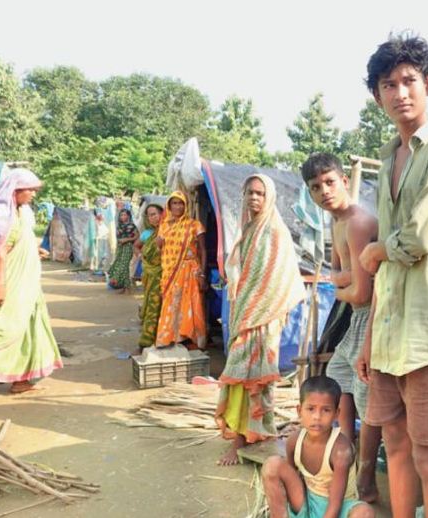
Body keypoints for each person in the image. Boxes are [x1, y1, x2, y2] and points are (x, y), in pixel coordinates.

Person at [356, 34, 428, 518]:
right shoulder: (389, 158)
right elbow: (387, 274)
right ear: (377, 96)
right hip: (388, 336)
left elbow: (420, 236)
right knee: (396, 447)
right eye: (389, 84)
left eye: (409, 80)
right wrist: (368, 338)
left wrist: (375, 250)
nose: (400, 92)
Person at [301, 153, 382, 503]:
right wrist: (343, 281)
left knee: (369, 399)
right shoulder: (336, 223)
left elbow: (360, 292)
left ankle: (365, 470)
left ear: (344, 181)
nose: (324, 191)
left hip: (374, 315)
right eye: (316, 187)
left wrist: (341, 284)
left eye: (330, 182)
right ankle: (346, 449)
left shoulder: (359, 223)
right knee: (339, 377)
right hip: (356, 316)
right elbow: (337, 276)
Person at [215, 174, 305, 466]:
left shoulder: (274, 231)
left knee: (251, 379)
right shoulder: (249, 228)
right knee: (242, 377)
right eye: (250, 192)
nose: (254, 198)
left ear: (270, 198)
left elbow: (281, 277)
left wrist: (256, 307)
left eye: (260, 193)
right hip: (246, 314)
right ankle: (248, 436)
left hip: (263, 320)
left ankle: (243, 440)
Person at [0, 169, 63, 402]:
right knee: (4, 331)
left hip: (26, 283)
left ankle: (21, 380)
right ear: (16, 190)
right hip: (8, 281)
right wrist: (1, 286)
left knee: (29, 328)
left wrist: (33, 250)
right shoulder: (1, 212)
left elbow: (17, 241)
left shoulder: (21, 212)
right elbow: (0, 252)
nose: (33, 194)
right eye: (30, 190)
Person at [261, 376, 374, 518]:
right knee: (272, 465)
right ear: (299, 410)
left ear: (336, 414)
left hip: (339, 508)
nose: (317, 417)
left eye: (326, 410)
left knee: (364, 513)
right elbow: (292, 479)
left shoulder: (340, 451)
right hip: (307, 501)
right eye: (310, 409)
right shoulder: (294, 441)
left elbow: (335, 504)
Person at [155, 191, 207, 350]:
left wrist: (202, 273)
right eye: (174, 203)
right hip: (171, 271)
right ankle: (171, 337)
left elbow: (203, 250)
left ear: (186, 205)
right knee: (172, 303)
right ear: (169, 206)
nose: (178, 207)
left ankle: (189, 338)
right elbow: (161, 251)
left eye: (181, 203)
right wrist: (159, 244)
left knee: (190, 304)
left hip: (190, 270)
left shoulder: (194, 224)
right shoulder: (164, 226)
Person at [135, 202, 164, 351]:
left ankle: (156, 338)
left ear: (162, 213)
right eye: (150, 215)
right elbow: (136, 245)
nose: (153, 218)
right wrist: (141, 256)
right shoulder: (147, 234)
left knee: (162, 307)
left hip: (165, 274)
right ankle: (149, 339)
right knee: (152, 306)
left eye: (155, 214)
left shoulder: (168, 230)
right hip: (150, 274)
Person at [108, 208, 138, 293]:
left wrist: (127, 239)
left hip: (128, 247)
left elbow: (137, 236)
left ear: (128, 216)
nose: (123, 216)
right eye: (121, 215)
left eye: (125, 215)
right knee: (118, 264)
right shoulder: (119, 226)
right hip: (120, 247)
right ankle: (126, 287)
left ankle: (127, 287)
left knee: (124, 266)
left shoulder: (132, 226)